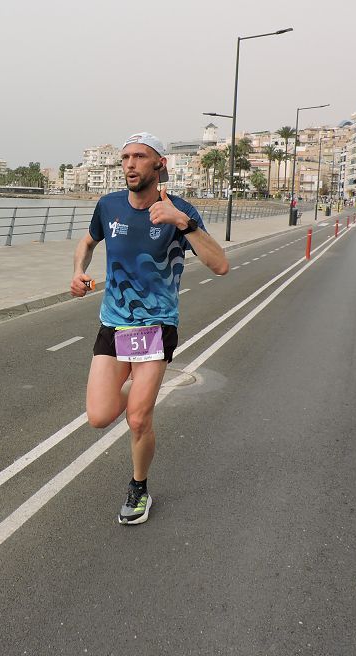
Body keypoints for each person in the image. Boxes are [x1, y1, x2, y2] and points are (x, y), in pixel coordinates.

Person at [70, 132, 229, 525]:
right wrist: (78, 272)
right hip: (113, 324)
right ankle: (137, 386)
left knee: (138, 419)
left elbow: (220, 264)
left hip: (156, 326)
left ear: (160, 165)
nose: (130, 164)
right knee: (98, 416)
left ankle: (139, 487)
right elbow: (88, 243)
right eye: (126, 157)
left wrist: (184, 223)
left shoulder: (181, 210)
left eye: (140, 156)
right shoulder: (108, 206)